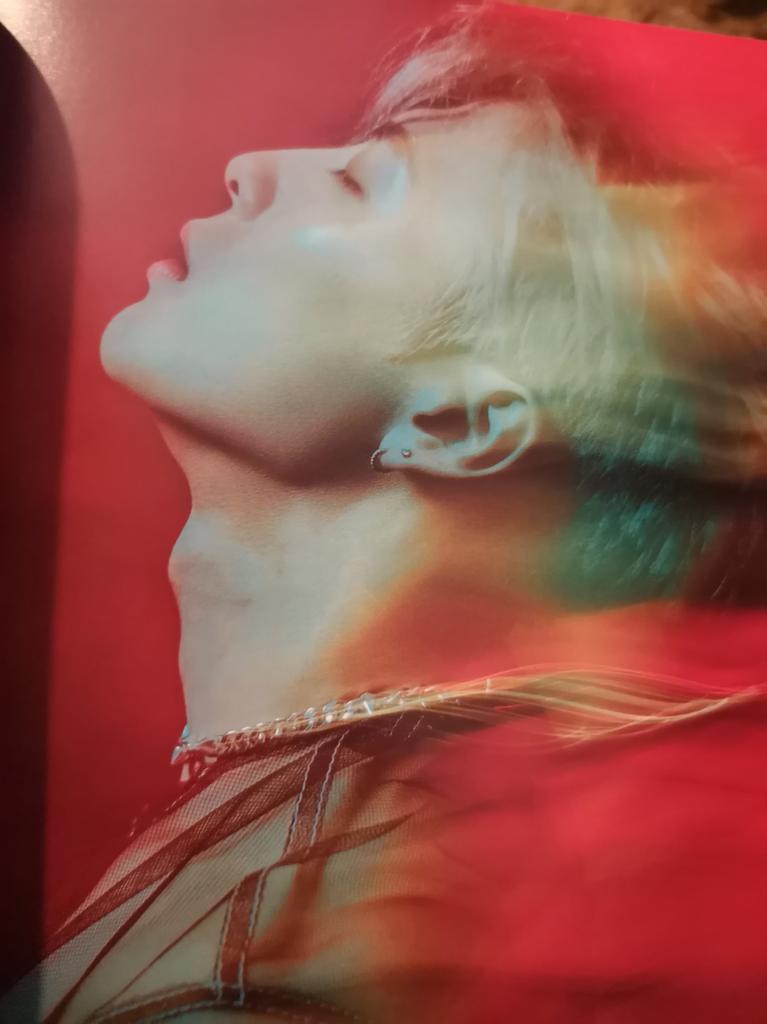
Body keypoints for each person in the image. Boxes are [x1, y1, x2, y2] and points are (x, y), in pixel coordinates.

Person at [5, 6, 767, 1022]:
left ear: (457, 420)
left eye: (364, 184)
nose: (250, 170)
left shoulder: (295, 965)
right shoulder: (316, 824)